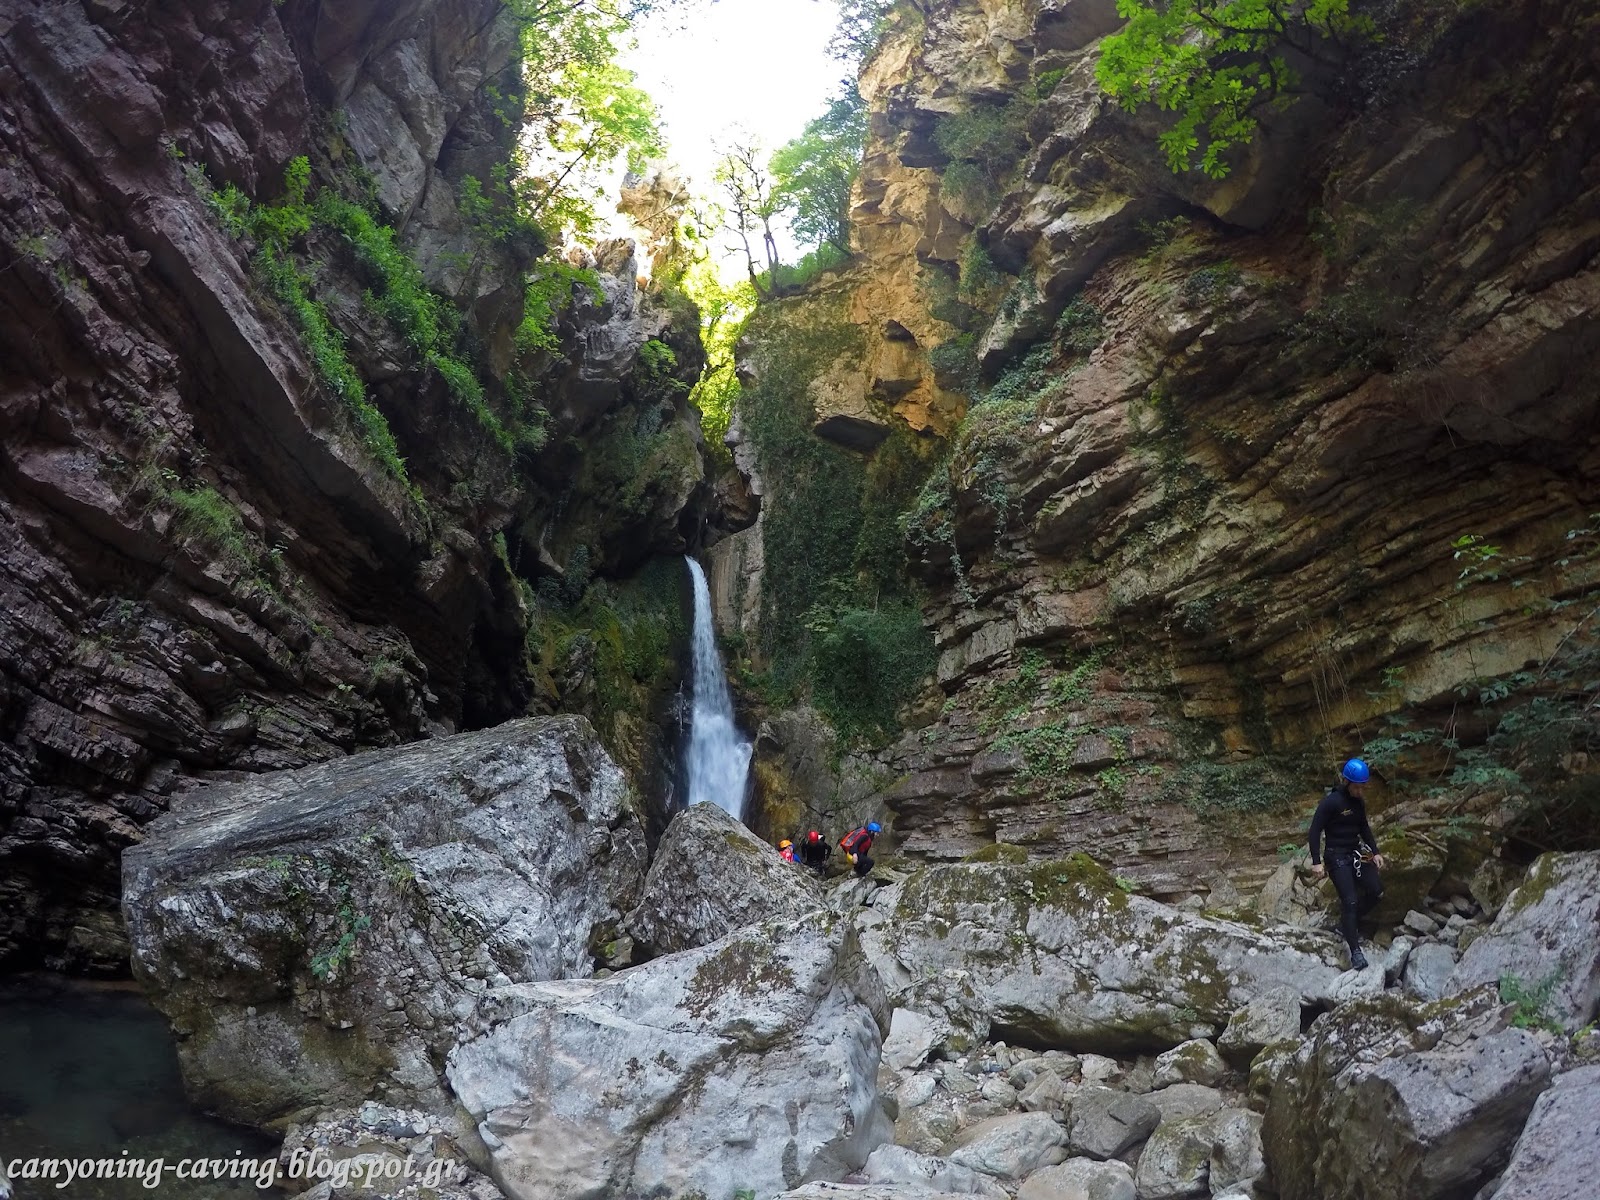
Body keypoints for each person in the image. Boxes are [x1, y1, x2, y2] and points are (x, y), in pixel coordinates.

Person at [1308, 758, 1386, 970]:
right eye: (1357, 787)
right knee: (1349, 901)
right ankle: (1356, 951)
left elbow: (1364, 829)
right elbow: (1314, 831)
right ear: (1347, 782)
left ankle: (1348, 924)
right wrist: (1316, 862)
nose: (1361, 791)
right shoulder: (1331, 802)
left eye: (1363, 787)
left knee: (1376, 891)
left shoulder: (1358, 803)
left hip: (1355, 853)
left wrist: (1375, 852)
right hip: (1336, 856)